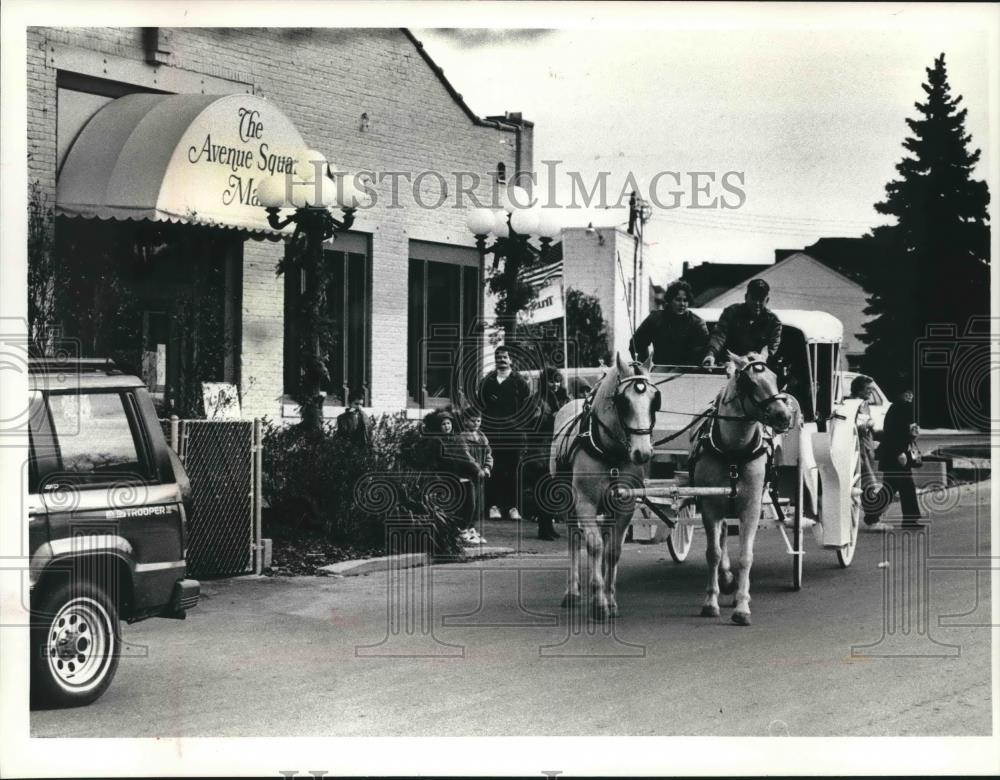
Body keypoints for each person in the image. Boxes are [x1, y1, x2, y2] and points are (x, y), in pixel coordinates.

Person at [478, 345, 533, 523]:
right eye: (498, 357)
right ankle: (493, 506)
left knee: (514, 470)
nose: (501, 360)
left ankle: (513, 507)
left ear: (511, 360)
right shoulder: (487, 382)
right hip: (492, 433)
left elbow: (527, 408)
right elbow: (481, 406)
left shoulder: (520, 382)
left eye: (505, 357)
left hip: (514, 434)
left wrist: (521, 427)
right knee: (494, 469)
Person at [419, 409, 487, 545]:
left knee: (473, 502)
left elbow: (464, 458)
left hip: (460, 475)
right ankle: (460, 530)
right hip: (444, 476)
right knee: (462, 503)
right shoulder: (435, 441)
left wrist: (478, 469)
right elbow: (434, 462)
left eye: (449, 423)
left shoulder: (455, 438)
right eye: (443, 424)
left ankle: (468, 528)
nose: (447, 427)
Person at [524, 367, 571, 540]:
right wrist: (552, 418)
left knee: (553, 489)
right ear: (545, 382)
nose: (555, 384)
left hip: (559, 449)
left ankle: (549, 525)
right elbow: (530, 424)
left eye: (558, 380)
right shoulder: (535, 400)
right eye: (551, 381)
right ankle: (543, 528)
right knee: (543, 488)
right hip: (541, 450)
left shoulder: (566, 398)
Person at [871, 388, 923, 527]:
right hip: (896, 455)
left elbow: (900, 432)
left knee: (893, 487)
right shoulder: (900, 408)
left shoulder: (897, 408)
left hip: (893, 454)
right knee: (904, 488)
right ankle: (910, 520)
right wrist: (899, 452)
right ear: (899, 394)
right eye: (906, 393)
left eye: (911, 393)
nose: (910, 395)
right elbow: (893, 434)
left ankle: (873, 514)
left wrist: (912, 434)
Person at [702, 279, 782, 366]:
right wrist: (711, 354)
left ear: (767, 300)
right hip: (729, 366)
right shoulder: (731, 313)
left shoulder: (773, 322)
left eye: (761, 299)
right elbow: (719, 335)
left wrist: (756, 358)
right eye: (754, 298)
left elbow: (770, 350)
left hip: (757, 369)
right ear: (746, 297)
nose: (757, 303)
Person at [629, 279, 709, 366]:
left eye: (685, 300)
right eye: (678, 300)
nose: (682, 304)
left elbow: (703, 350)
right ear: (670, 300)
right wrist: (645, 365)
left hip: (687, 372)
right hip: (660, 372)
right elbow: (636, 343)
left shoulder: (697, 323)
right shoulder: (655, 319)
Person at [849, 375, 883, 527]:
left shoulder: (865, 404)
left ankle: (872, 517)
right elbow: (855, 426)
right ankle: (872, 518)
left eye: (871, 389)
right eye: (867, 389)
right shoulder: (854, 404)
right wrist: (868, 424)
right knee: (867, 483)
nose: (870, 392)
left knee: (867, 483)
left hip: (867, 447)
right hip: (860, 449)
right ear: (859, 390)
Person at [458, 408, 493, 541]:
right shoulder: (461, 438)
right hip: (467, 476)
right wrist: (478, 469)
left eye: (478, 420)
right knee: (469, 503)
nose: (476, 423)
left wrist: (487, 467)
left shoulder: (482, 437)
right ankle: (462, 530)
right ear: (466, 421)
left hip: (480, 476)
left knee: (479, 504)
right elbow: (466, 457)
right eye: (473, 421)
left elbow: (488, 454)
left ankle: (472, 528)